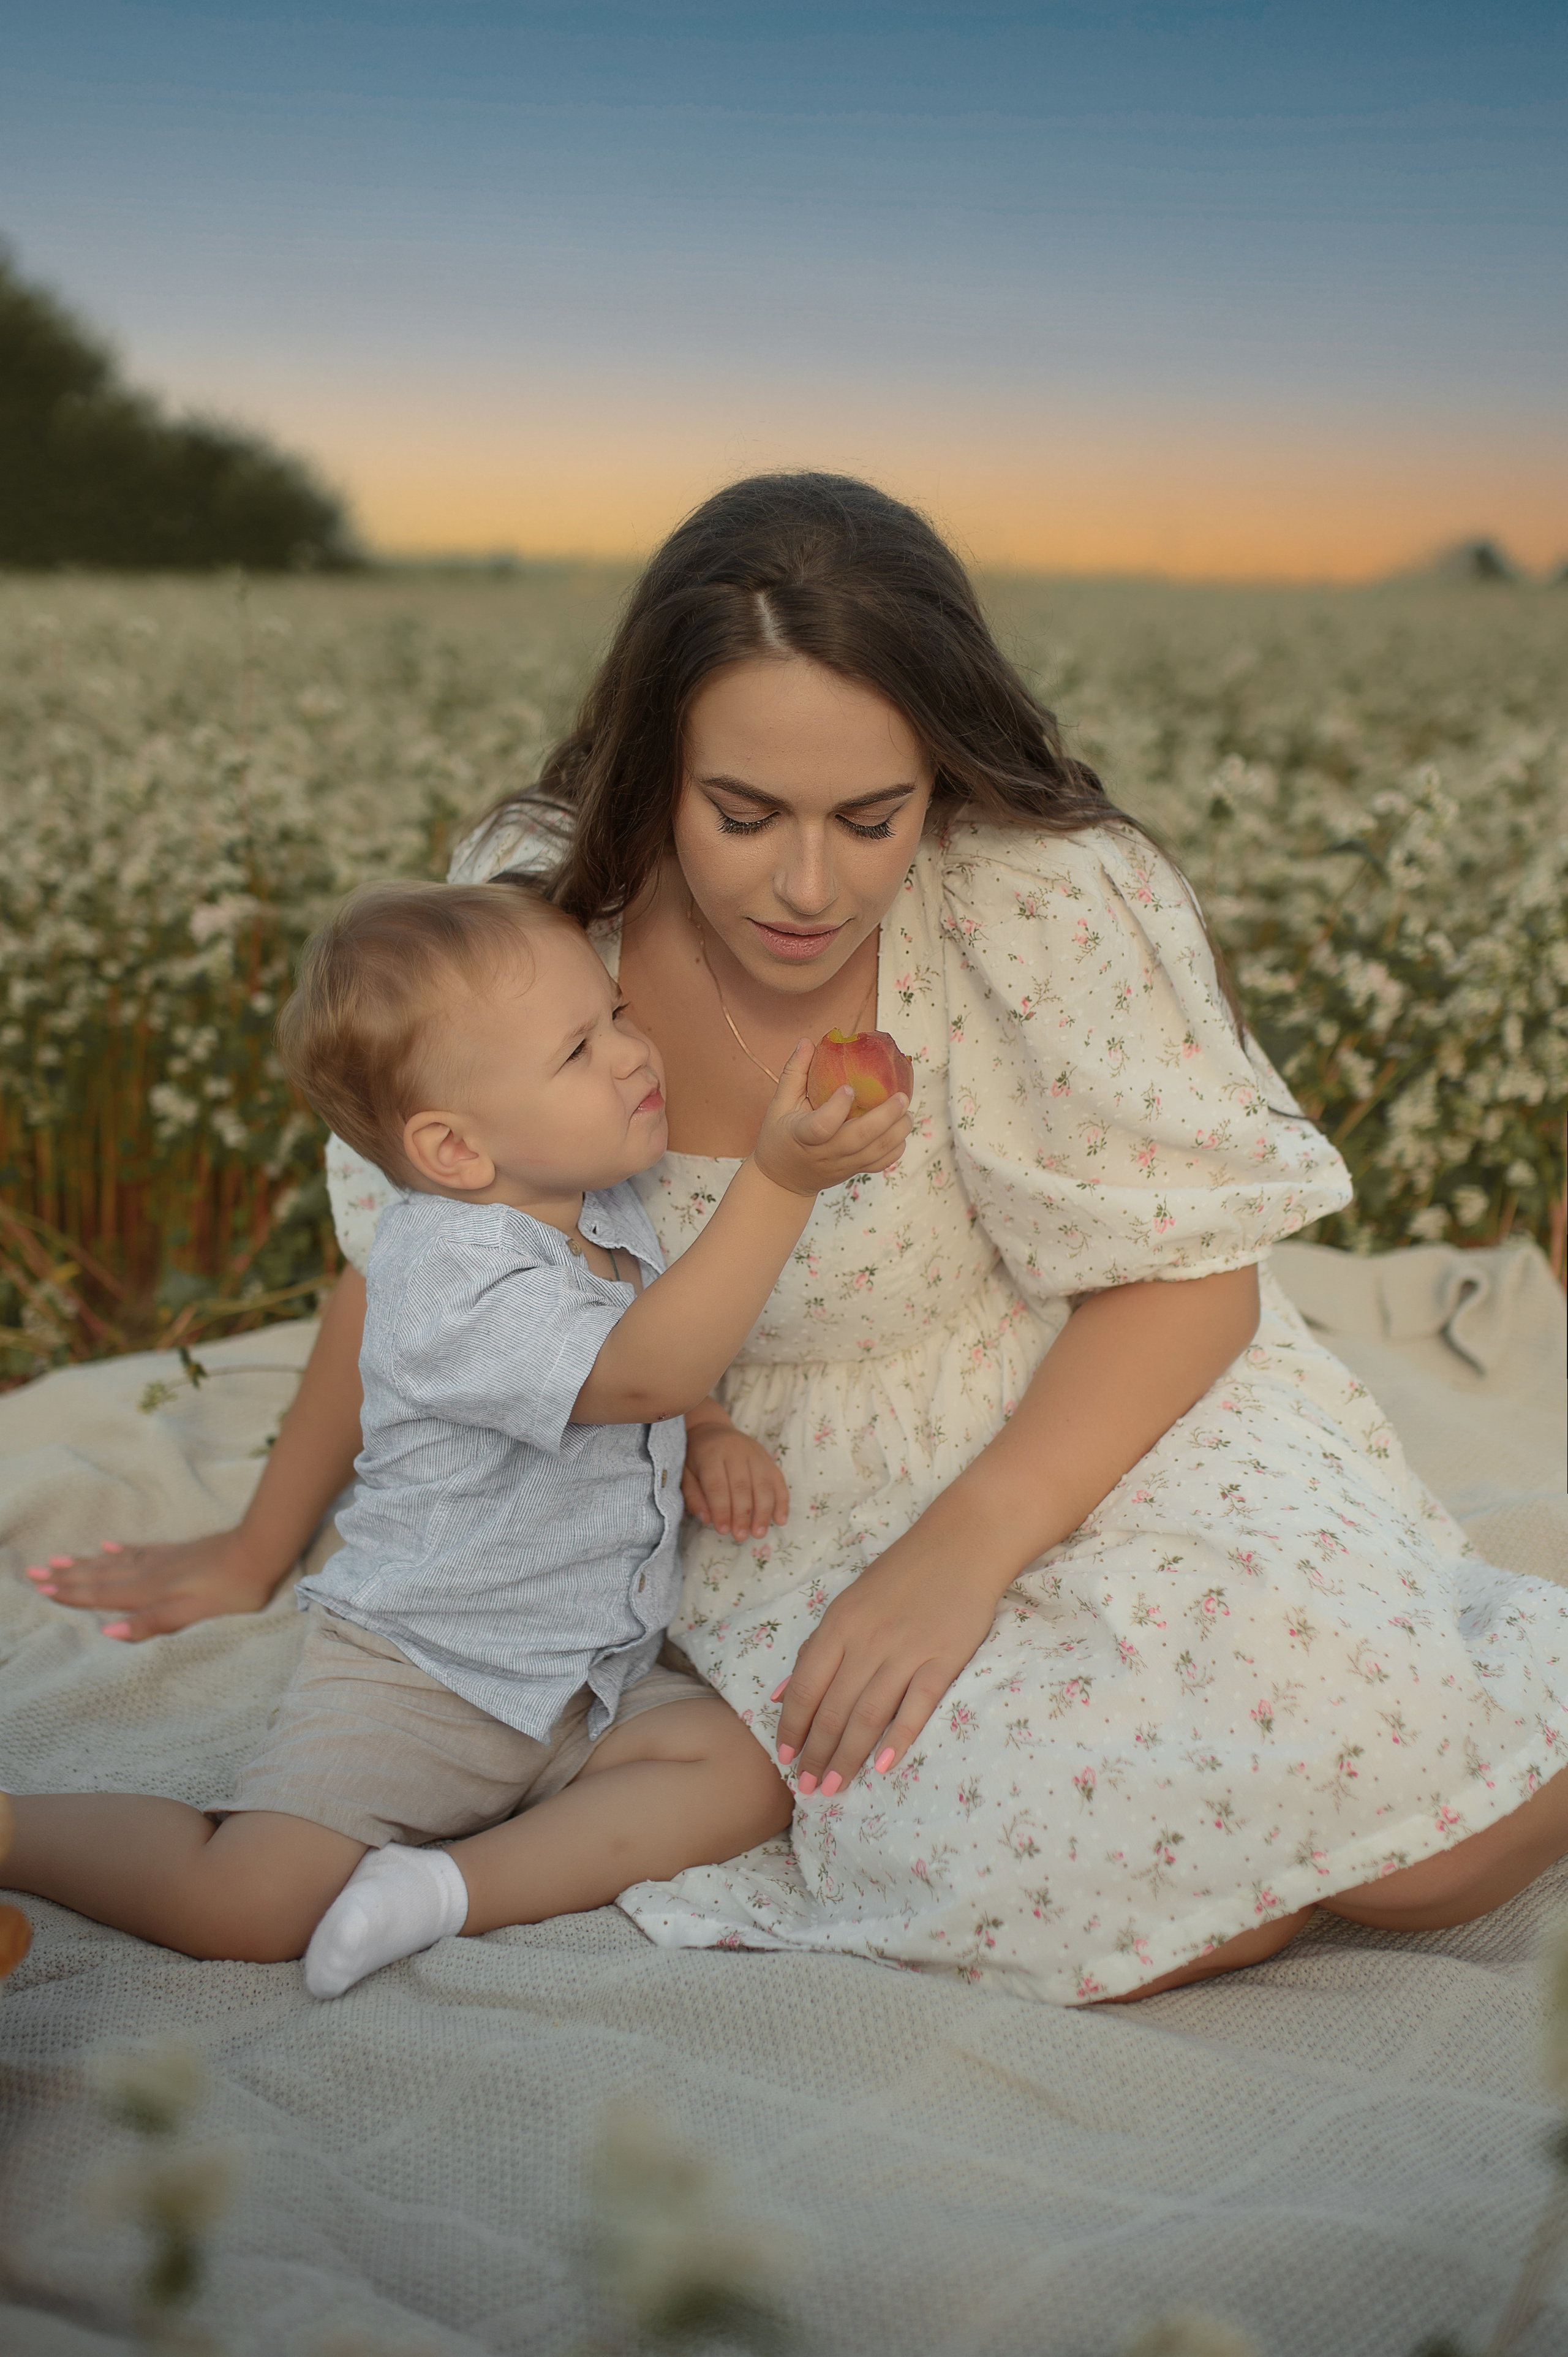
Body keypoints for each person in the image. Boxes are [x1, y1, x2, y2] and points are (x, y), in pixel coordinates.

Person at [29, 473, 1568, 2005]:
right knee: (1135, 1895)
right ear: (656, 765)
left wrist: (964, 1547)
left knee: (1431, 1847)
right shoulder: (538, 898)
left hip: (1096, 1400)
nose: (807, 886)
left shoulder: (1038, 891)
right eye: (742, 813)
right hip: (775, 1484)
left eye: (871, 817)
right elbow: (427, 1245)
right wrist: (254, 1543)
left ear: (941, 779)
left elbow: (1184, 1273)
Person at [4, 875, 910, 1993]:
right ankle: (13, 1829)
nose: (635, 1054)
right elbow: (639, 1369)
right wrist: (779, 1181)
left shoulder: (599, 1202)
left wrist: (710, 1425)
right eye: (579, 1052)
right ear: (453, 1150)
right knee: (243, 1905)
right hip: (425, 1676)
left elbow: (655, 1354)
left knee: (744, 1777)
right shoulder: (446, 1274)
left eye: (617, 1016)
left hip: (590, 1676)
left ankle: (442, 1890)